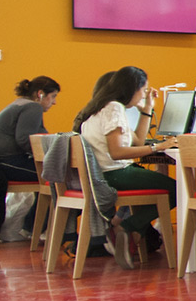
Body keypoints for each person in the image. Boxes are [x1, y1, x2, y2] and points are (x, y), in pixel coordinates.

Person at [74, 65, 177, 268]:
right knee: (176, 189)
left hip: (106, 173)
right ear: (132, 88)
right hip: (114, 174)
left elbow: (138, 142)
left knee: (160, 186)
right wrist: (158, 147)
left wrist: (147, 109)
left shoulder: (99, 109)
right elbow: (117, 152)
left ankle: (128, 233)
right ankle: (125, 228)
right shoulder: (114, 108)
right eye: (143, 90)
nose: (143, 94)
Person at [0, 75, 59, 241]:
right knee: (58, 176)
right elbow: (25, 139)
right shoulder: (33, 107)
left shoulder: (19, 104)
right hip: (6, 162)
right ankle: (33, 228)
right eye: (53, 96)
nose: (54, 102)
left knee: (53, 174)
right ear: (40, 94)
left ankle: (33, 227)